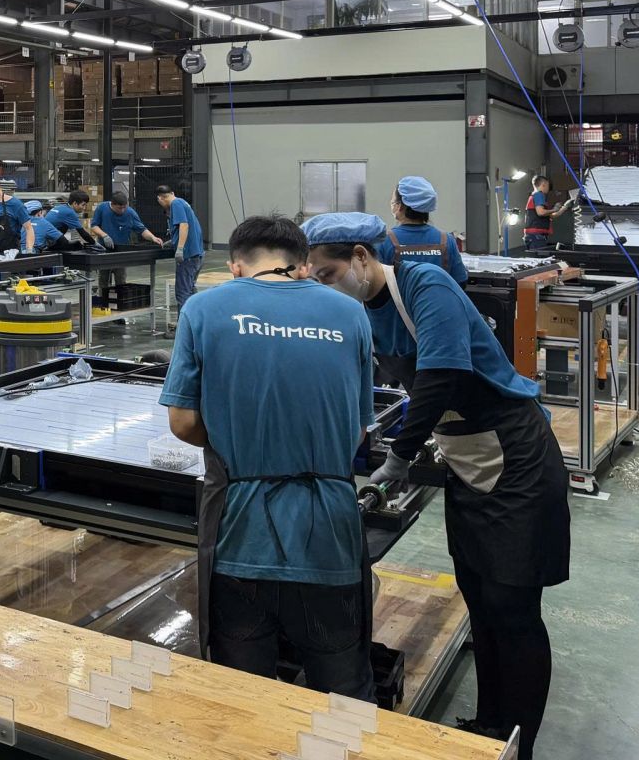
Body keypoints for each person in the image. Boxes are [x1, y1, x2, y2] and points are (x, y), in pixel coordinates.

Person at [303, 212, 569, 760]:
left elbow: (441, 375)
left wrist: (399, 457)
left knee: (512, 608)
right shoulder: (366, 311)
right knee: (480, 599)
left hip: (516, 457)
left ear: (360, 257)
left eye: (328, 274)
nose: (326, 286)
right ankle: (490, 727)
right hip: (468, 460)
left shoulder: (426, 285)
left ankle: (519, 744)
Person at [160, 215, 375, 699]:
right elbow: (357, 429)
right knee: (343, 696)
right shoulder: (350, 314)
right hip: (330, 538)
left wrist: (240, 442)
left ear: (236, 266)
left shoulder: (203, 309)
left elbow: (183, 423)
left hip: (241, 537)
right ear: (303, 266)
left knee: (243, 699)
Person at [377, 175, 468, 285]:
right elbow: (461, 281)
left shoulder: (384, 241)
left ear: (400, 206)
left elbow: (377, 285)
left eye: (393, 201)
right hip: (438, 297)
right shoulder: (447, 240)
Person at [90, 189, 164, 304]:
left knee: (121, 280)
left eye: (124, 207)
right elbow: (94, 226)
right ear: (112, 204)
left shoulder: (130, 213)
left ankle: (119, 304)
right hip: (104, 250)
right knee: (103, 280)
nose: (122, 210)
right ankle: (104, 303)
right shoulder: (102, 208)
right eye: (119, 208)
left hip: (121, 252)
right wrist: (104, 235)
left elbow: (142, 229)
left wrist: (153, 237)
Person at [156, 183, 205, 307]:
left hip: (188, 256)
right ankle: (195, 317)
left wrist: (180, 248)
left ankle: (184, 320)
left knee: (182, 293)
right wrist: (173, 241)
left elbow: (184, 225)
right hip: (197, 254)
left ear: (160, 198)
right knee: (190, 290)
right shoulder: (183, 203)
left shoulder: (175, 204)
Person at [524, 175, 557, 254]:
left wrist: (564, 207)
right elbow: (541, 212)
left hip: (533, 235)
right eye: (548, 185)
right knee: (539, 258)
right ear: (543, 184)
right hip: (536, 235)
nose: (548, 188)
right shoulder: (539, 195)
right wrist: (554, 209)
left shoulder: (533, 196)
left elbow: (551, 215)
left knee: (535, 257)